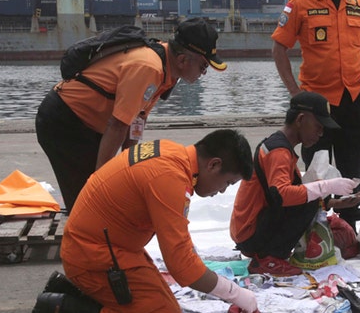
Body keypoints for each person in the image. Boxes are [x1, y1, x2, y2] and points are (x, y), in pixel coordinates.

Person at [34, 130, 258, 313]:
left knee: (165, 307)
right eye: (227, 183)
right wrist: (236, 294)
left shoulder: (172, 153)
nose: (221, 191)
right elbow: (183, 267)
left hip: (103, 247)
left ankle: (69, 291)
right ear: (213, 165)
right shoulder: (170, 177)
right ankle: (63, 309)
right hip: (93, 255)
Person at [36, 18, 226, 210]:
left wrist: (128, 166)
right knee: (89, 202)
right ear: (183, 60)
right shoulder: (149, 67)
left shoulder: (166, 70)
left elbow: (137, 119)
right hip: (63, 122)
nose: (203, 74)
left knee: (102, 195)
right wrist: (103, 181)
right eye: (203, 66)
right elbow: (118, 125)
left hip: (88, 126)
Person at [271, 0, 360, 230]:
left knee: (353, 167)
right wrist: (295, 92)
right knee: (317, 169)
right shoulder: (300, 4)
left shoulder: (357, 5)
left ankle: (350, 228)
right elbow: (279, 48)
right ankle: (315, 225)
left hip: (352, 100)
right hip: (317, 106)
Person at [230, 92, 360, 276]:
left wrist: (335, 203)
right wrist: (327, 186)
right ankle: (268, 260)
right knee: (309, 193)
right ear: (301, 119)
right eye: (318, 126)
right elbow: (284, 195)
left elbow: (290, 199)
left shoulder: (282, 147)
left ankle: (270, 255)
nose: (321, 134)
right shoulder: (279, 151)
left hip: (254, 229)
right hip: (250, 235)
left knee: (309, 193)